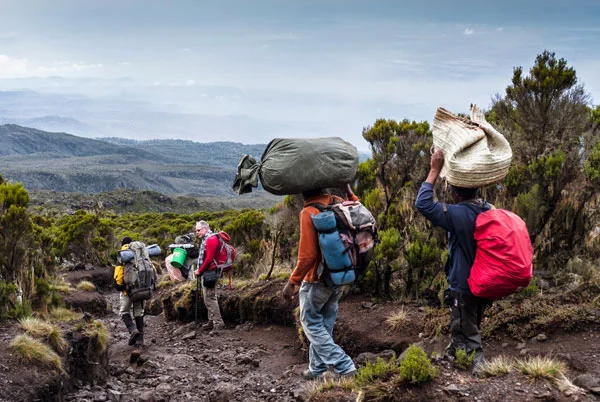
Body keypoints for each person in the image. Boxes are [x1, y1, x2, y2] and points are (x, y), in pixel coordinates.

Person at [415, 149, 492, 375]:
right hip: (483, 282)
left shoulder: (458, 213)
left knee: (468, 331)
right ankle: (454, 361)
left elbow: (423, 204)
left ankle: (480, 373)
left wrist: (434, 170)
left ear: (454, 192)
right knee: (465, 326)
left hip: (465, 284)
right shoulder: (486, 209)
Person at [282, 184, 358, 380]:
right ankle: (317, 368)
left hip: (317, 280)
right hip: (339, 275)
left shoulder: (308, 212)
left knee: (309, 322)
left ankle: (344, 365)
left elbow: (308, 256)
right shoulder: (337, 202)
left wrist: (292, 282)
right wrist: (350, 192)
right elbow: (358, 210)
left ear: (303, 192)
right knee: (324, 323)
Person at [193, 220, 225, 333]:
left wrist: (200, 271)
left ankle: (218, 323)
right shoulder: (207, 239)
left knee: (209, 298)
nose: (197, 232)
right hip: (209, 271)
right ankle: (211, 321)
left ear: (205, 228)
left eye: (198, 230)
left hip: (210, 272)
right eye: (196, 230)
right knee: (210, 295)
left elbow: (209, 259)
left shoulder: (210, 240)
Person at [114, 236, 145, 347]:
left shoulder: (123, 254)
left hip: (128, 290)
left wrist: (120, 286)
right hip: (142, 288)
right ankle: (140, 340)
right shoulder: (141, 252)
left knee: (124, 311)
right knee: (138, 312)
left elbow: (118, 275)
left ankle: (132, 330)